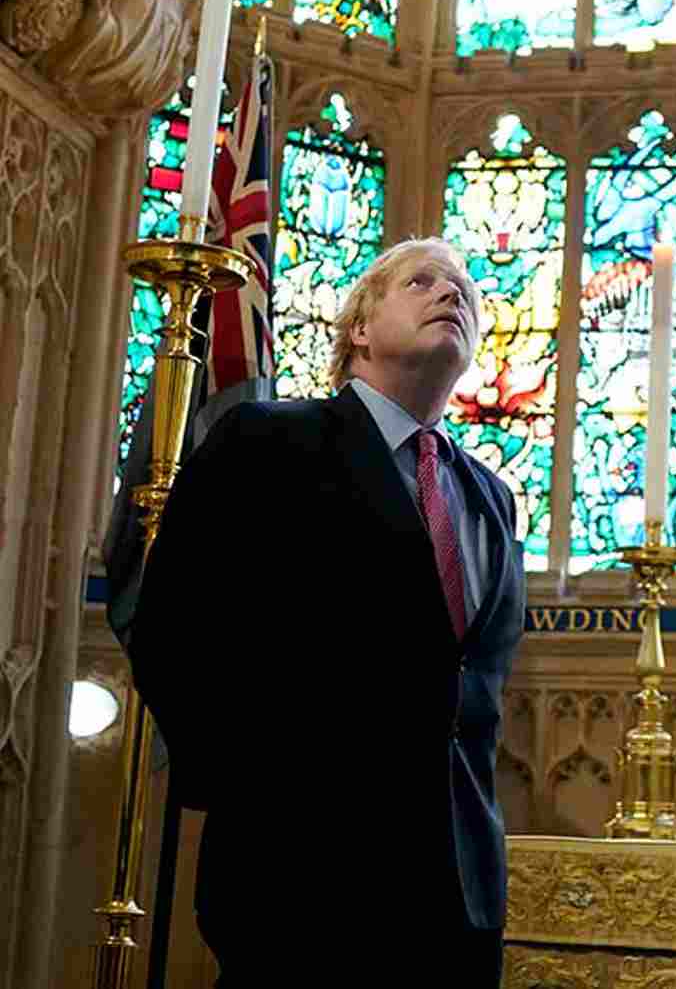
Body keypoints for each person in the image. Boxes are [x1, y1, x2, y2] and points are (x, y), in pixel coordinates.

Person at [130, 237, 525, 986]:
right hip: (300, 877)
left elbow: (471, 685)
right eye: (422, 282)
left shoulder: (490, 497)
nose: (453, 295)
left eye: (466, 294)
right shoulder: (269, 441)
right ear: (360, 329)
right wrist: (256, 795)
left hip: (458, 893)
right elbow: (173, 626)